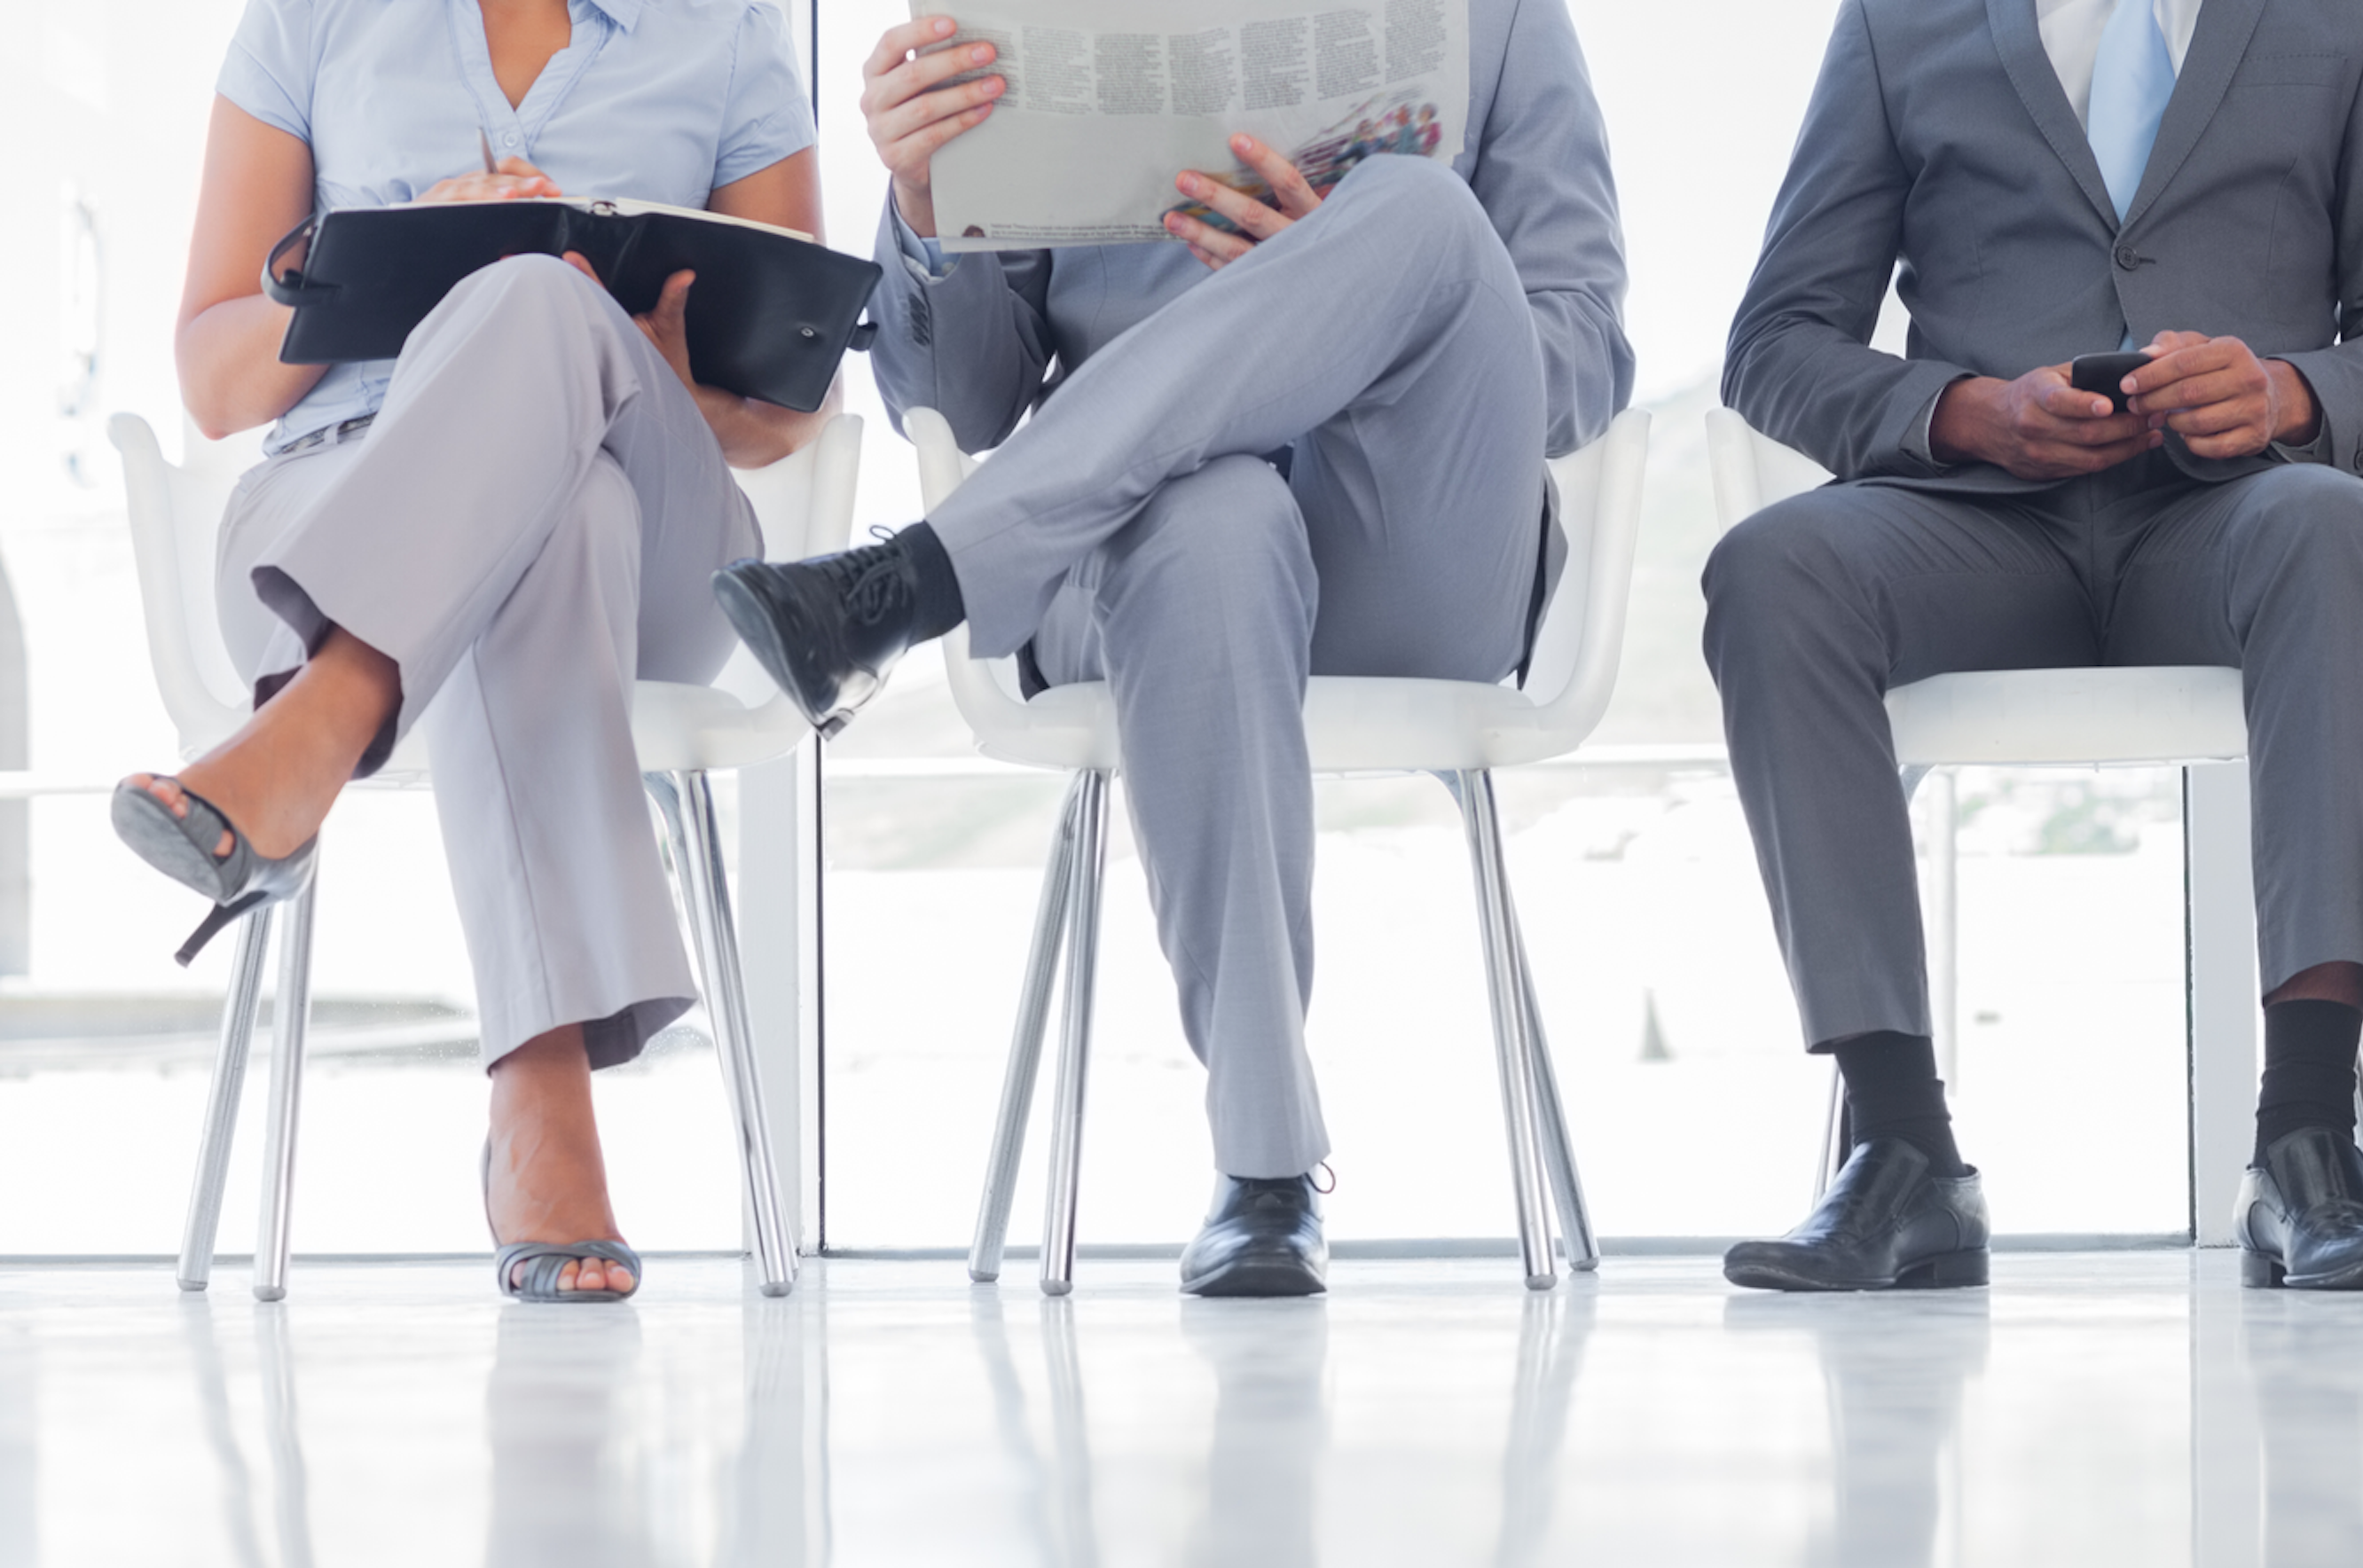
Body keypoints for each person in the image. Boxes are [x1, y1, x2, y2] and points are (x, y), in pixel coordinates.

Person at [716, 5, 1633, 1298]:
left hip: (1412, 544)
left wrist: (1356, 289)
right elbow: (961, 402)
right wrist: (926, 202)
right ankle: (1265, 1168)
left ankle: (909, 586)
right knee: (1212, 522)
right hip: (1144, 556)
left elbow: (1586, 346)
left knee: (1418, 214)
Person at [1700, 0, 2363, 1295]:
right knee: (1774, 570)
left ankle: (2305, 1142)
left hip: (2231, 516)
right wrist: (1960, 410)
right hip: (1976, 530)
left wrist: (2287, 393)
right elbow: (1775, 341)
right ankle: (1901, 1151)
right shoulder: (1900, 21)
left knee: (2333, 526)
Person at [121, 0, 827, 1303]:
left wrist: (646, 365)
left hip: (658, 507)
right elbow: (213, 381)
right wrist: (370, 280)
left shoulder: (724, 36)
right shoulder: (311, 24)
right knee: (557, 512)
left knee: (545, 316)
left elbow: (791, 405)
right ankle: (542, 1111)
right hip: (334, 497)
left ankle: (322, 719)